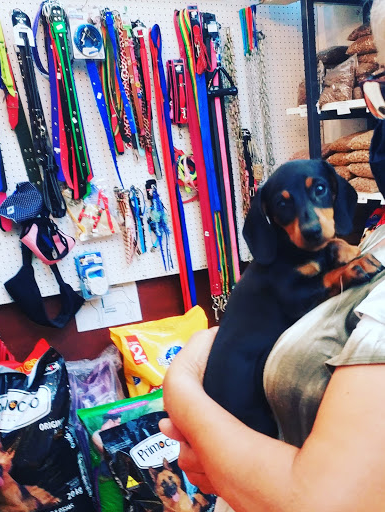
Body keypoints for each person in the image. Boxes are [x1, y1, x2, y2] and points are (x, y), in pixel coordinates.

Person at [159, 4, 385, 510]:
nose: (309, 222)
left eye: (318, 196)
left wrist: (182, 385)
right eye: (380, 88)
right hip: (241, 413)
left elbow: (315, 498)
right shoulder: (290, 265)